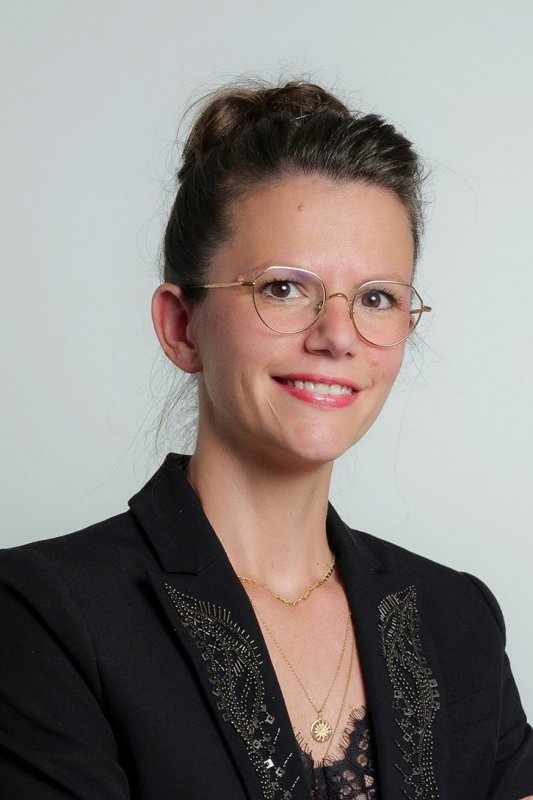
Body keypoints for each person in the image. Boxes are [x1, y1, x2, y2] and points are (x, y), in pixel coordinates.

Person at [1, 79, 532, 800]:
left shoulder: (457, 618)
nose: (337, 335)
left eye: (377, 298)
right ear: (181, 327)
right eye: (283, 287)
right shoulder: (43, 611)